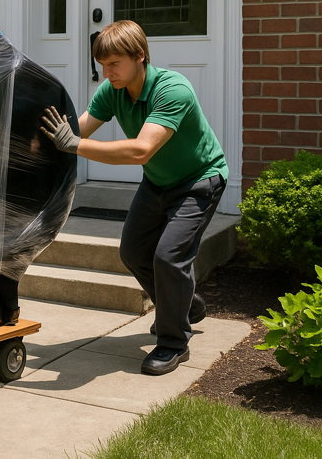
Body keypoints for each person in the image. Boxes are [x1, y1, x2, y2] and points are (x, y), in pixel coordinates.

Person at [41, 20, 227, 376]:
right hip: (158, 182)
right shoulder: (112, 91)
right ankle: (183, 306)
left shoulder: (173, 89)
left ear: (140, 56)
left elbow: (141, 150)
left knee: (168, 257)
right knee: (132, 252)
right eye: (102, 65)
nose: (106, 72)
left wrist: (76, 145)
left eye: (114, 64)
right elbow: (77, 131)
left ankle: (173, 342)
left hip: (198, 182)